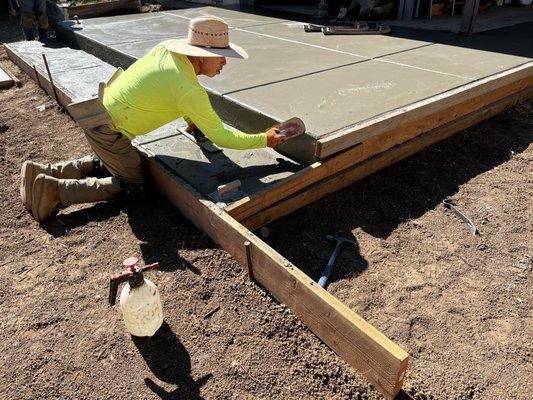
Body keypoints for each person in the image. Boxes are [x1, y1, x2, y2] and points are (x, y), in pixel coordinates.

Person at [20, 16, 298, 223]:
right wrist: (265, 138)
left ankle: (41, 171)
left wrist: (193, 120)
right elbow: (223, 138)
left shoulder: (169, 50)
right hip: (110, 131)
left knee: (117, 160)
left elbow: (169, 92)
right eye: (220, 57)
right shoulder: (189, 90)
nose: (224, 62)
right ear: (201, 57)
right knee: (134, 186)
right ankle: (54, 190)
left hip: (97, 112)